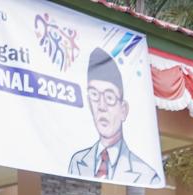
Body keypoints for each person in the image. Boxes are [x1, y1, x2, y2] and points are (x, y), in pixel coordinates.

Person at [67, 47, 160, 185]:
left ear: (123, 110)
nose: (101, 106)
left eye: (109, 97)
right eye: (94, 95)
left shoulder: (147, 175)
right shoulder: (77, 162)